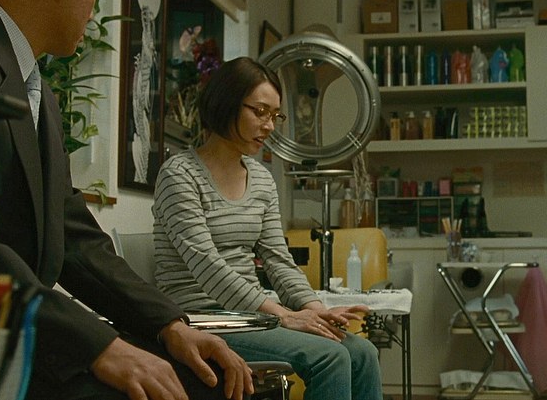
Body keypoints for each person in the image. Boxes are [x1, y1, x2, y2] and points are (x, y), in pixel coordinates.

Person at [0, 0, 253, 399]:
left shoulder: (35, 87)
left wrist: (169, 324)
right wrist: (99, 345)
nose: (95, 7)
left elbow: (72, 234)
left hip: (17, 327)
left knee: (205, 376)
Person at [152, 56, 384, 400]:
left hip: (250, 317)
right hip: (201, 320)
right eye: (260, 112)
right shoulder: (179, 175)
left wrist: (314, 309)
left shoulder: (260, 179)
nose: (270, 126)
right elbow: (207, 267)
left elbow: (278, 259)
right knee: (330, 357)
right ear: (226, 104)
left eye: (275, 115)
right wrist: (283, 316)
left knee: (363, 353)